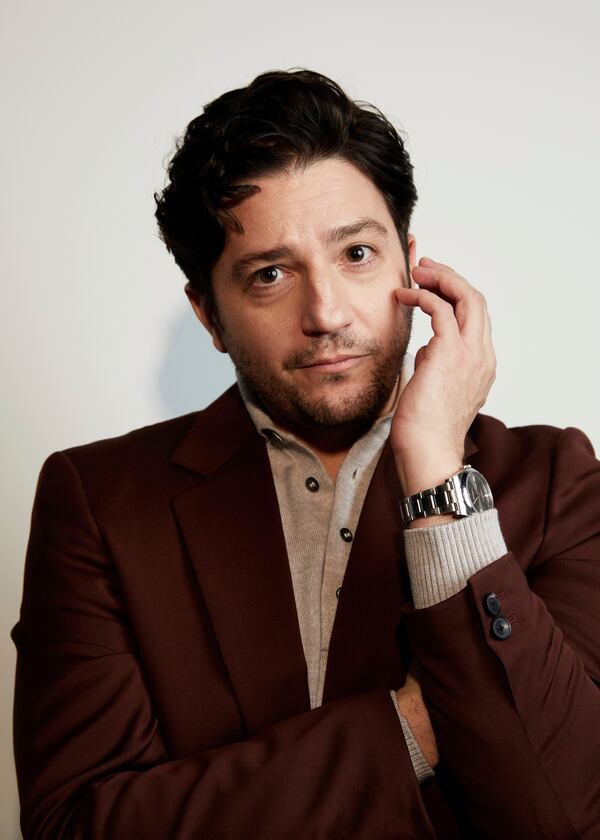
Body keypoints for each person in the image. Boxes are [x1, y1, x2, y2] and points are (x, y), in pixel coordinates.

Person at [11, 68, 600, 839]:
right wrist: (414, 728)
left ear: (409, 261)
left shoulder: (555, 478)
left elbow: (568, 814)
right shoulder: (99, 501)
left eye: (356, 254)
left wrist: (435, 476)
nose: (324, 313)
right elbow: (76, 826)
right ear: (209, 314)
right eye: (270, 274)